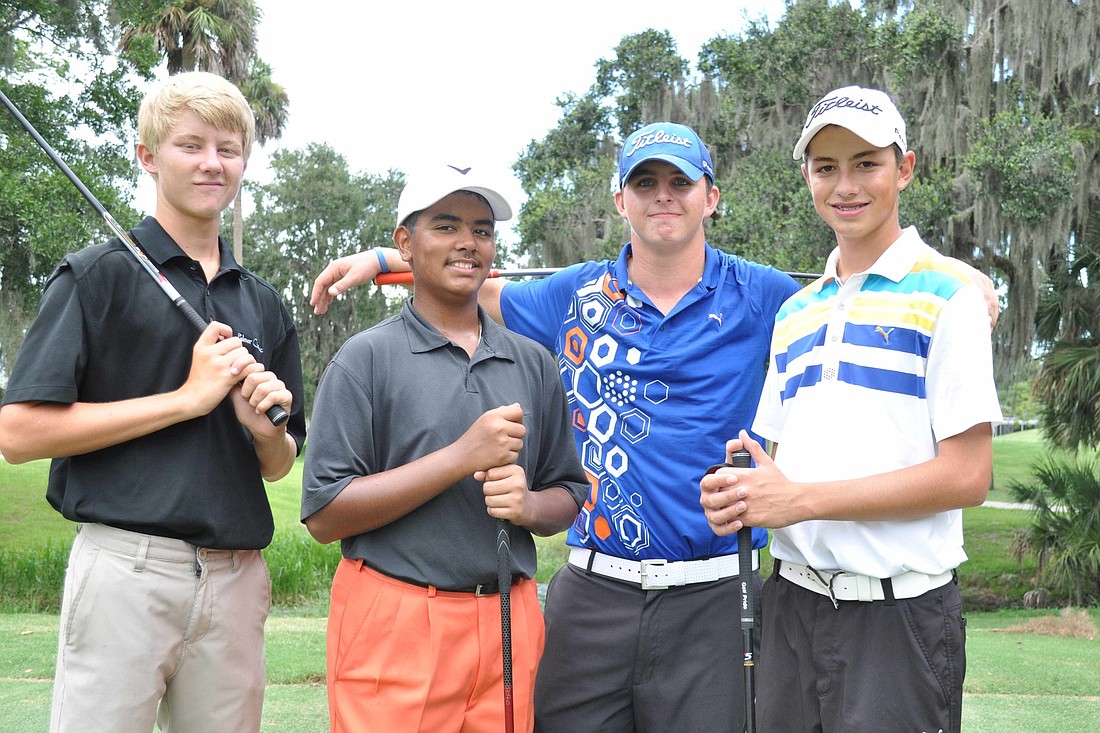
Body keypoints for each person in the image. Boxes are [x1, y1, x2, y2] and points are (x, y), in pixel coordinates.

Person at [310, 123, 797, 732]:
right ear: (621, 199)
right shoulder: (575, 293)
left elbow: (843, 318)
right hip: (594, 594)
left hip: (716, 594)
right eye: (645, 182)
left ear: (712, 197)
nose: (663, 196)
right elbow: (468, 282)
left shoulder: (768, 295)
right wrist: (386, 259)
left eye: (681, 181)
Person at [0, 71, 306, 733]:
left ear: (244, 162)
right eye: (190, 145)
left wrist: (264, 433)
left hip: (235, 577)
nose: (211, 162)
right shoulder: (96, 276)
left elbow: (280, 464)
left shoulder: (262, 301)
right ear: (148, 155)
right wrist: (185, 399)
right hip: (125, 569)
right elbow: (19, 431)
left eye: (227, 148)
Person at [699, 85, 1003, 733]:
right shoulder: (796, 313)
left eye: (866, 162)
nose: (846, 184)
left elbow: (967, 476)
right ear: (806, 175)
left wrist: (798, 500)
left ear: (906, 168)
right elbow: (780, 468)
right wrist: (745, 495)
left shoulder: (950, 296)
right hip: (792, 608)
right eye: (826, 166)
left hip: (899, 619)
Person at [301, 163, 589, 733]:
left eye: (482, 230)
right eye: (446, 225)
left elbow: (570, 492)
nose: (467, 243)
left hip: (510, 617)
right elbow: (325, 514)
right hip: (396, 618)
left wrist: (530, 507)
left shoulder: (532, 360)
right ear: (404, 244)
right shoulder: (365, 360)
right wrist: (461, 457)